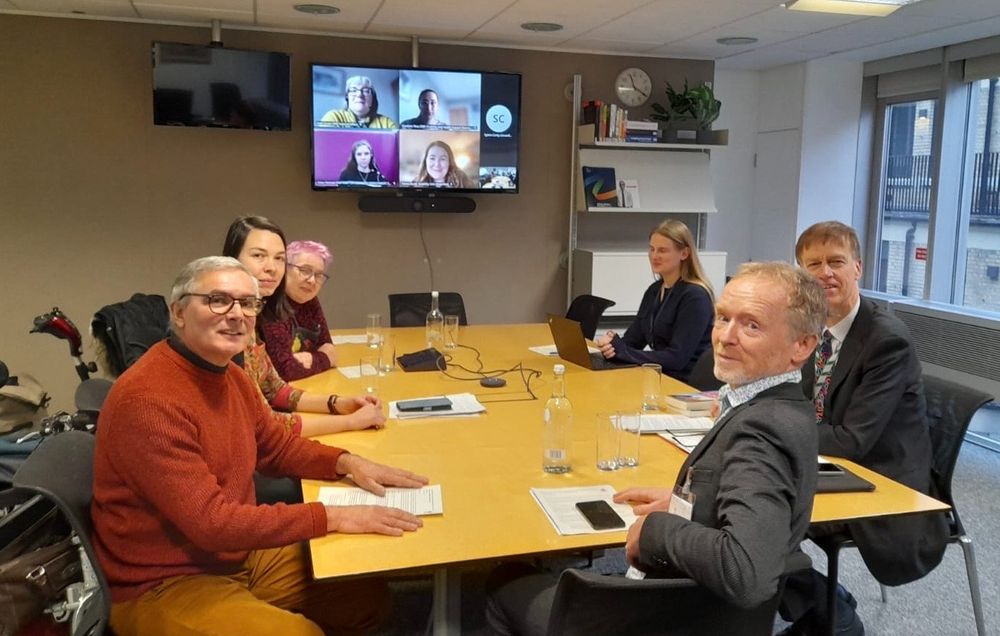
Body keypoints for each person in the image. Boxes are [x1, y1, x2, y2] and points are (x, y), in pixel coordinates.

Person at [92, 256, 428, 636]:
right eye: (218, 300)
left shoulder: (230, 376)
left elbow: (276, 448)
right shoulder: (149, 399)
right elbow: (213, 523)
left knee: (365, 595)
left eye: (248, 303)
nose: (237, 314)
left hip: (232, 558)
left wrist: (347, 462)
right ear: (179, 312)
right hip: (165, 580)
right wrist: (332, 515)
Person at [486, 261, 826, 636]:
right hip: (701, 605)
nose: (725, 337)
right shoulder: (787, 406)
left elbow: (746, 571)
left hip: (679, 615)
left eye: (751, 325)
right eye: (723, 318)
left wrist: (656, 531)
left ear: (802, 345)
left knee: (506, 580)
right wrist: (692, 503)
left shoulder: (761, 430)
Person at [781, 221, 948, 636]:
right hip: (833, 463)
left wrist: (775, 430)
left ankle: (832, 617)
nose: (825, 273)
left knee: (763, 507)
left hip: (882, 481)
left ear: (858, 267)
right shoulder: (815, 330)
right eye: (813, 264)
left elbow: (852, 440)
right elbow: (804, 406)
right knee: (743, 491)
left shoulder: (885, 340)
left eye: (836, 261)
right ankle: (825, 604)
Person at [223, 216, 385, 436]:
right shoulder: (226, 324)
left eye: (279, 258)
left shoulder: (252, 314)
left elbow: (275, 389)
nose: (271, 268)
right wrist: (351, 422)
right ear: (232, 260)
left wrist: (338, 403)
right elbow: (262, 425)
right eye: (259, 256)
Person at [595, 219, 714, 381]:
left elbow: (676, 358)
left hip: (686, 383)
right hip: (660, 376)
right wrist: (611, 346)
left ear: (684, 254)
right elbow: (632, 341)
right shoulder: (655, 291)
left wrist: (624, 352)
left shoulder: (695, 296)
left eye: (663, 250)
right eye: (652, 249)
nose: (654, 256)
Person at [262, 240, 337, 381]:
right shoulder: (272, 303)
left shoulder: (310, 299)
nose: (312, 281)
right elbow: (285, 370)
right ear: (285, 269)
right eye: (304, 270)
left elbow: (327, 345)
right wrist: (325, 359)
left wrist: (311, 358)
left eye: (319, 275)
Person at [320, 76, 397, 129]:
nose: (359, 94)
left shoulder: (386, 123)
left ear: (372, 98)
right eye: (353, 90)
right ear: (347, 97)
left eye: (366, 91)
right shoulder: (333, 117)